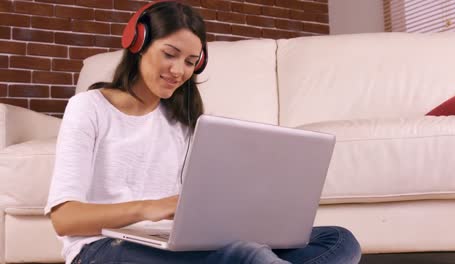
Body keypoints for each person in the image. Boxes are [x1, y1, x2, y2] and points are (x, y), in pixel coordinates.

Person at [45, 1, 362, 264]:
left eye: (190, 62)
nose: (179, 70)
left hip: (168, 243)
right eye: (170, 54)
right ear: (138, 44)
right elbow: (65, 219)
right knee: (247, 255)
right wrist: (148, 207)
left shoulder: (183, 122)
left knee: (338, 240)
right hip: (101, 248)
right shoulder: (89, 108)